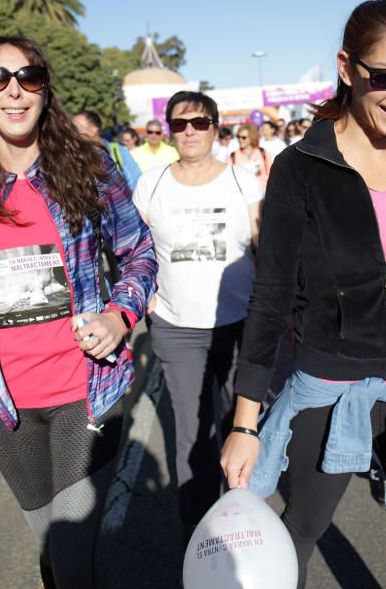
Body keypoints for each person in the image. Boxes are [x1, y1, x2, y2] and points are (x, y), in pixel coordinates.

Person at [221, 0, 386, 589]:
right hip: (329, 383)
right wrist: (245, 421)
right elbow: (270, 298)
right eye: (385, 76)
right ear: (348, 68)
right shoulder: (300, 168)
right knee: (297, 535)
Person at [0, 36, 157, 586]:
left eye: (28, 77)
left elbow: (139, 250)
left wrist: (119, 316)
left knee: (71, 559)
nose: (13, 91)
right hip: (3, 401)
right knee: (48, 551)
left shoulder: (88, 167)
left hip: (85, 389)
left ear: (44, 90)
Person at [133, 90, 262, 545]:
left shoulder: (243, 180)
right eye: (180, 124)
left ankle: (245, 520)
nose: (189, 131)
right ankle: (202, 535)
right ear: (169, 130)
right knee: (192, 428)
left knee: (238, 422)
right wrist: (142, 298)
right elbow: (133, 250)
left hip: (240, 323)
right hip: (176, 327)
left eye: (199, 123)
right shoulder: (151, 183)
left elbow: (264, 245)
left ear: (215, 127)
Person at [73, 110, 141, 191]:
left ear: (94, 129)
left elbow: (136, 184)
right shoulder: (74, 156)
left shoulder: (118, 151)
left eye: (75, 128)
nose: (72, 133)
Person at [229, 123, 270, 189]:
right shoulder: (233, 156)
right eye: (238, 137)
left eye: (244, 137)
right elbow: (230, 178)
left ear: (252, 137)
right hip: (243, 195)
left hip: (263, 194)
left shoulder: (263, 152)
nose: (240, 140)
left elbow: (270, 174)